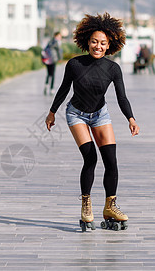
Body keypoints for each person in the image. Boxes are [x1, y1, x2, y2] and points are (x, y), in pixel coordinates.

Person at [45, 13, 140, 230]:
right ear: (87, 41)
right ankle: (86, 205)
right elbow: (63, 89)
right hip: (76, 113)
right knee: (90, 158)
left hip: (100, 114)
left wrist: (131, 119)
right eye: (94, 41)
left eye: (103, 43)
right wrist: (52, 112)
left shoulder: (113, 69)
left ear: (109, 46)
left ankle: (110, 206)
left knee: (111, 160)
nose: (98, 46)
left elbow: (122, 97)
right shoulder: (75, 64)